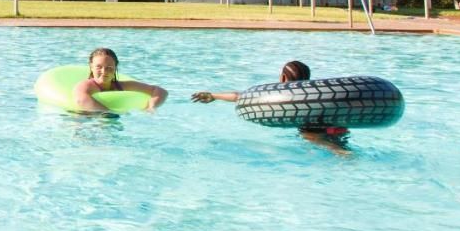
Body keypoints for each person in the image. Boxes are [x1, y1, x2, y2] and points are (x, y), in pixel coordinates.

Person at [192, 60, 350, 153]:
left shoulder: (280, 95)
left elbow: (239, 97)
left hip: (312, 132)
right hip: (337, 126)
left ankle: (341, 152)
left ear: (282, 77)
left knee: (326, 145)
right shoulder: (316, 92)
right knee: (340, 143)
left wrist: (213, 95)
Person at [72, 47, 167, 113]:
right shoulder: (86, 86)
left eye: (109, 67)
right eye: (99, 67)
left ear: (115, 67)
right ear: (91, 67)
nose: (104, 71)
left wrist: (151, 107)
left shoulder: (122, 86)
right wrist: (111, 114)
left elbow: (160, 91)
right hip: (83, 121)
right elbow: (81, 100)